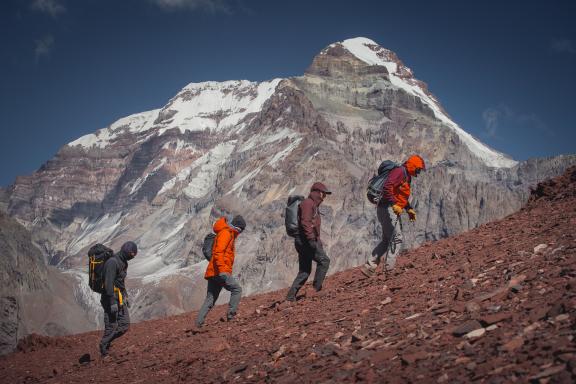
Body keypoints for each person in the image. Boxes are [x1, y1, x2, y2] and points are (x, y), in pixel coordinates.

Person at [362, 155, 426, 277]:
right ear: (413, 166)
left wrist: (409, 209)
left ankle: (369, 267)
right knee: (396, 237)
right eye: (418, 169)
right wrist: (393, 204)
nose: (418, 172)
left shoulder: (406, 176)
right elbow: (387, 186)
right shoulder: (400, 172)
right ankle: (389, 270)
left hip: (386, 208)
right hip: (388, 208)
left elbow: (401, 196)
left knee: (387, 239)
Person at [196, 215, 246, 327]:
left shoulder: (227, 233)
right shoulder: (226, 233)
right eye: (241, 230)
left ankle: (198, 324)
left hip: (213, 272)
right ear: (238, 228)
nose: (240, 233)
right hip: (219, 271)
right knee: (237, 289)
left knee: (210, 299)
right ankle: (231, 316)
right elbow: (218, 252)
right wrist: (223, 270)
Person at [286, 182, 332, 301]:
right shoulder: (308, 203)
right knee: (324, 261)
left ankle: (290, 297)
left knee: (305, 271)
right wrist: (312, 239)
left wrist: (317, 241)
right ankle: (315, 290)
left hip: (304, 240)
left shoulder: (313, 205)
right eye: (324, 194)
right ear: (319, 192)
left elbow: (312, 226)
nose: (325, 197)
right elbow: (305, 222)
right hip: (305, 241)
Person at [99, 241, 137, 357]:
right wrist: (111, 302)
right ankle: (104, 350)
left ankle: (106, 342)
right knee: (111, 325)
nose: (133, 256)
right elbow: (108, 283)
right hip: (109, 298)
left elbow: (120, 282)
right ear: (126, 251)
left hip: (119, 297)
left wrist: (125, 296)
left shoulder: (124, 263)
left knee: (124, 324)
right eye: (132, 254)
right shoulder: (112, 262)